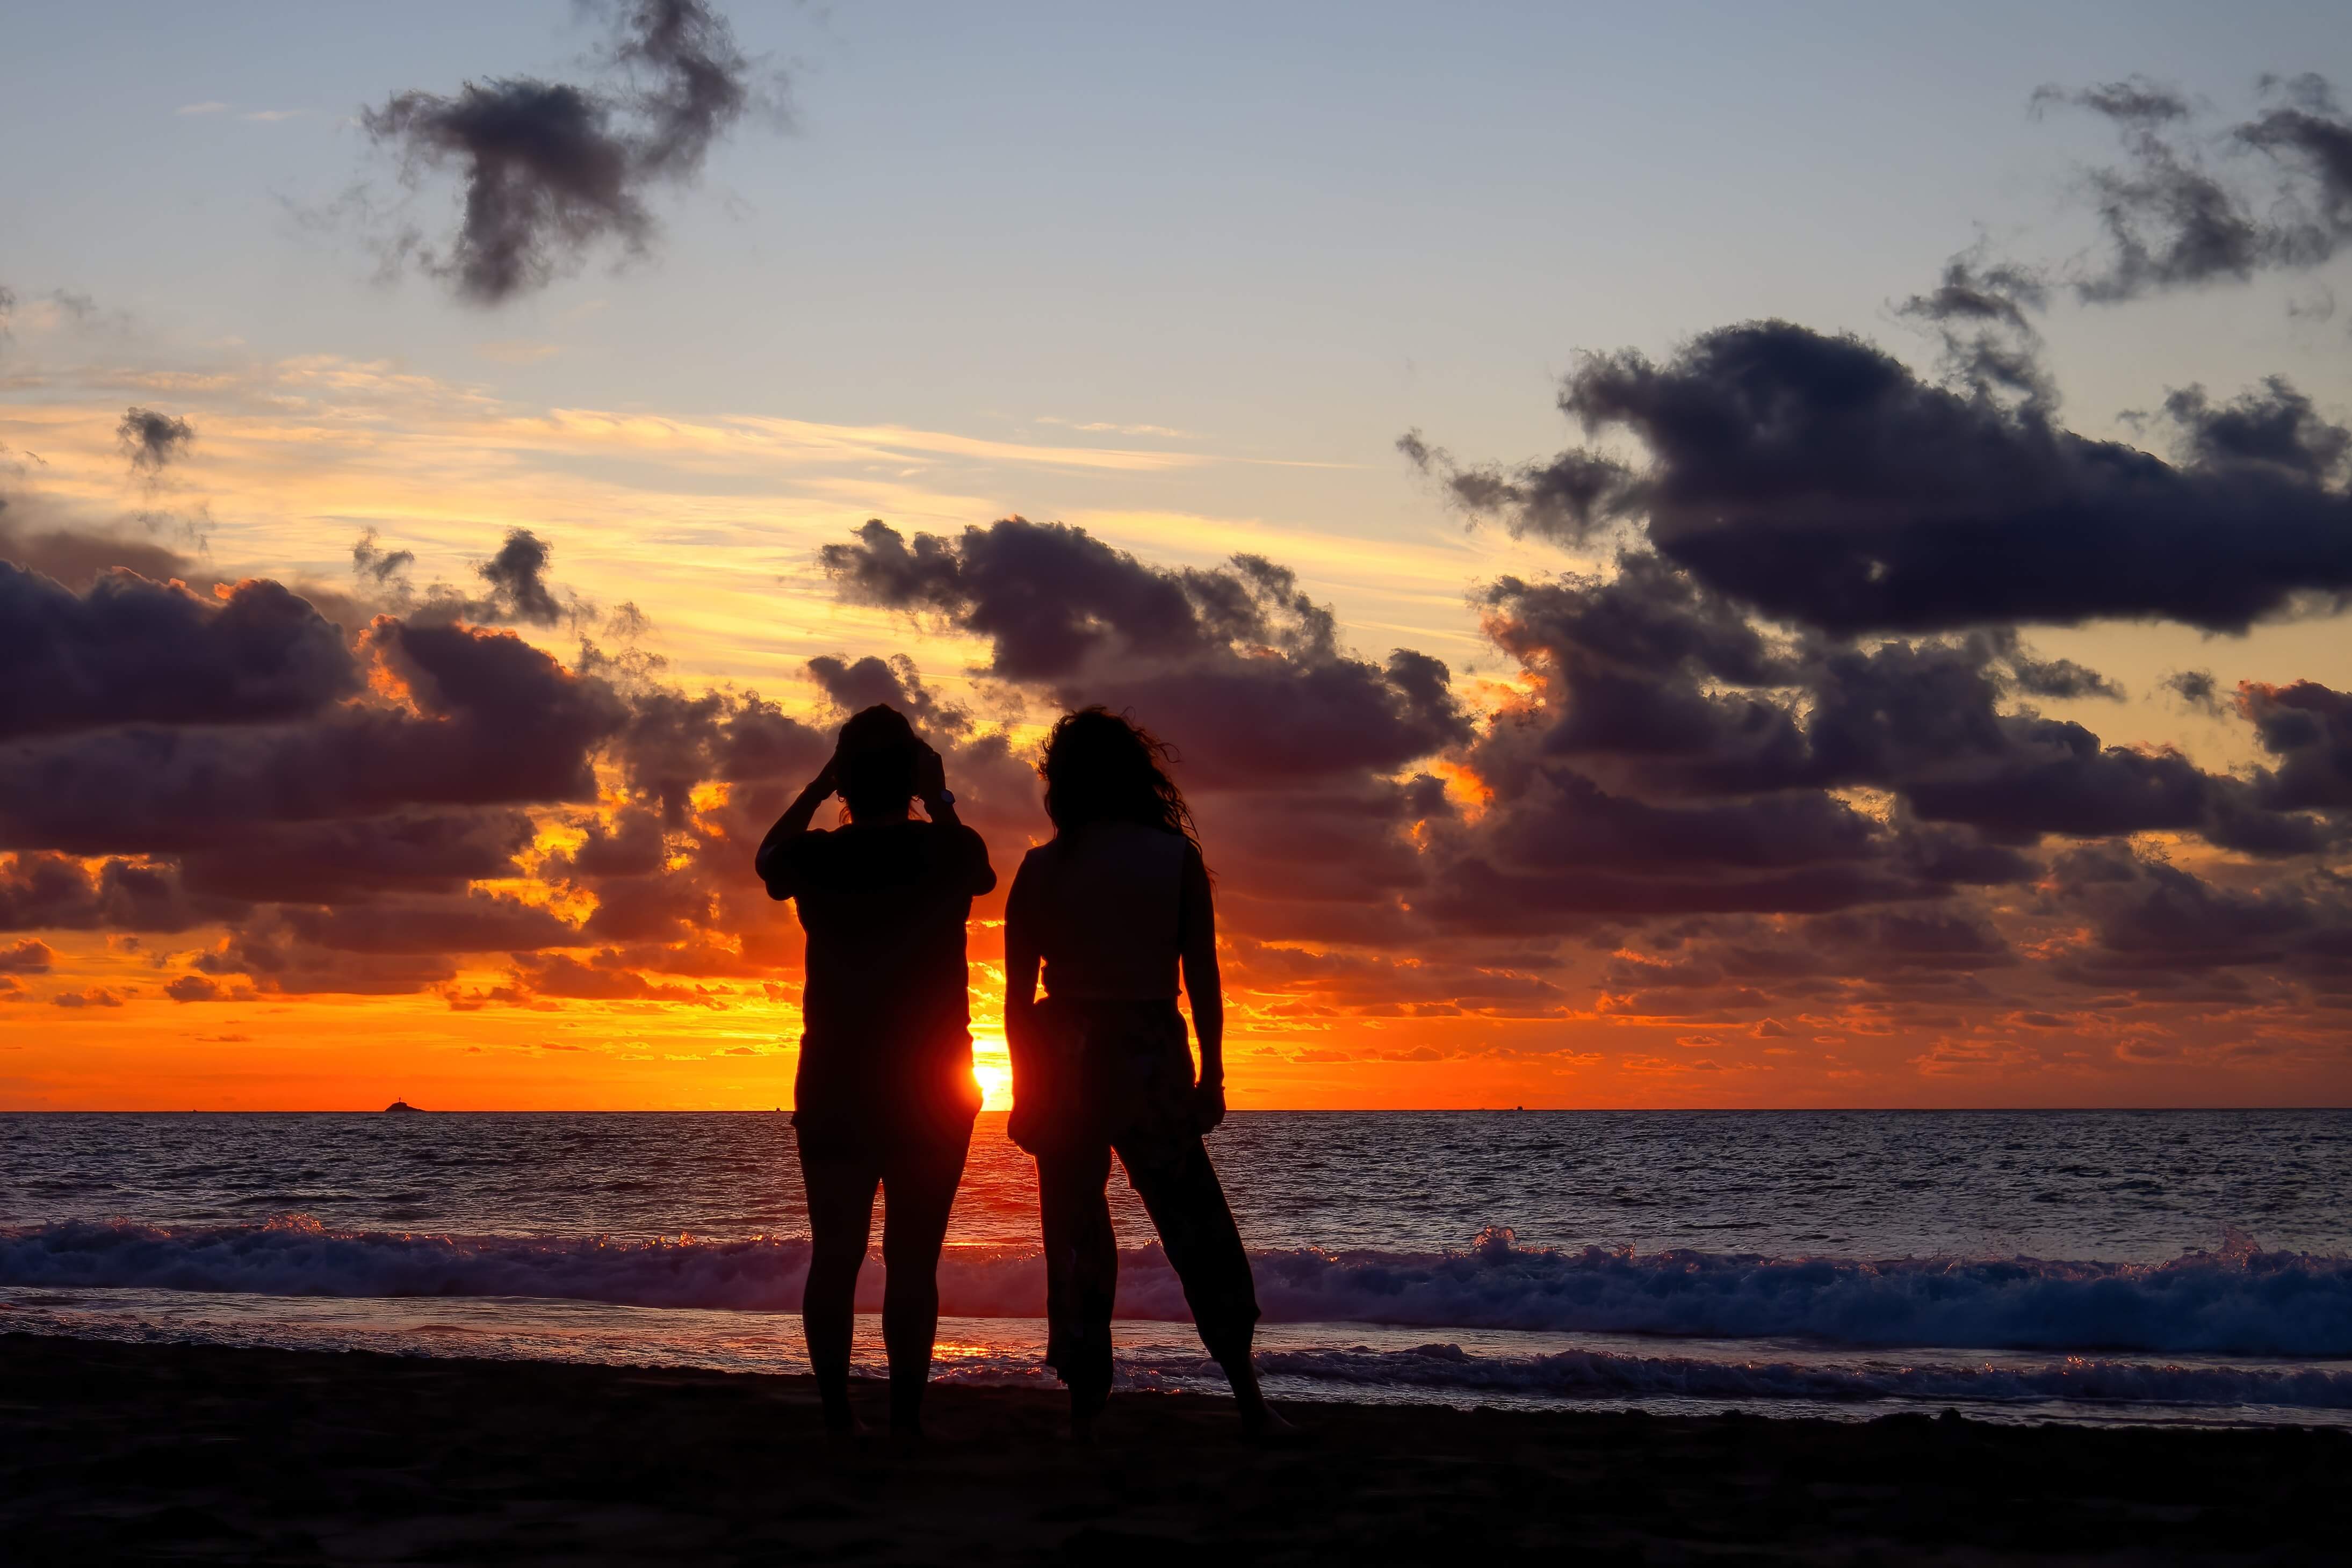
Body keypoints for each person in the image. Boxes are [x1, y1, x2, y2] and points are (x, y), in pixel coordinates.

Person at [1002, 707, 1283, 1437]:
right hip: (1147, 1045)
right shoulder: (1171, 858)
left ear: (1062, 784)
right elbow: (1204, 978)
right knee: (1195, 1223)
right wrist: (1213, 1077)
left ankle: (1084, 1403)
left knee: (1074, 1230)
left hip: (1063, 1052)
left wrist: (1027, 1087)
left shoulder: (1041, 866)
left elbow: (1015, 998)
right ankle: (1247, 1398)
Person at [755, 705, 995, 1438]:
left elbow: (769, 859)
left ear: (846, 781)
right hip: (931, 1087)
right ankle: (906, 1419)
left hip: (836, 1082)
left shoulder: (820, 857)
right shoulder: (945, 851)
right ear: (914, 778)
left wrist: (818, 786)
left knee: (836, 1255)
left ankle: (836, 1415)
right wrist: (944, 795)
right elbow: (980, 876)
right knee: (912, 1261)